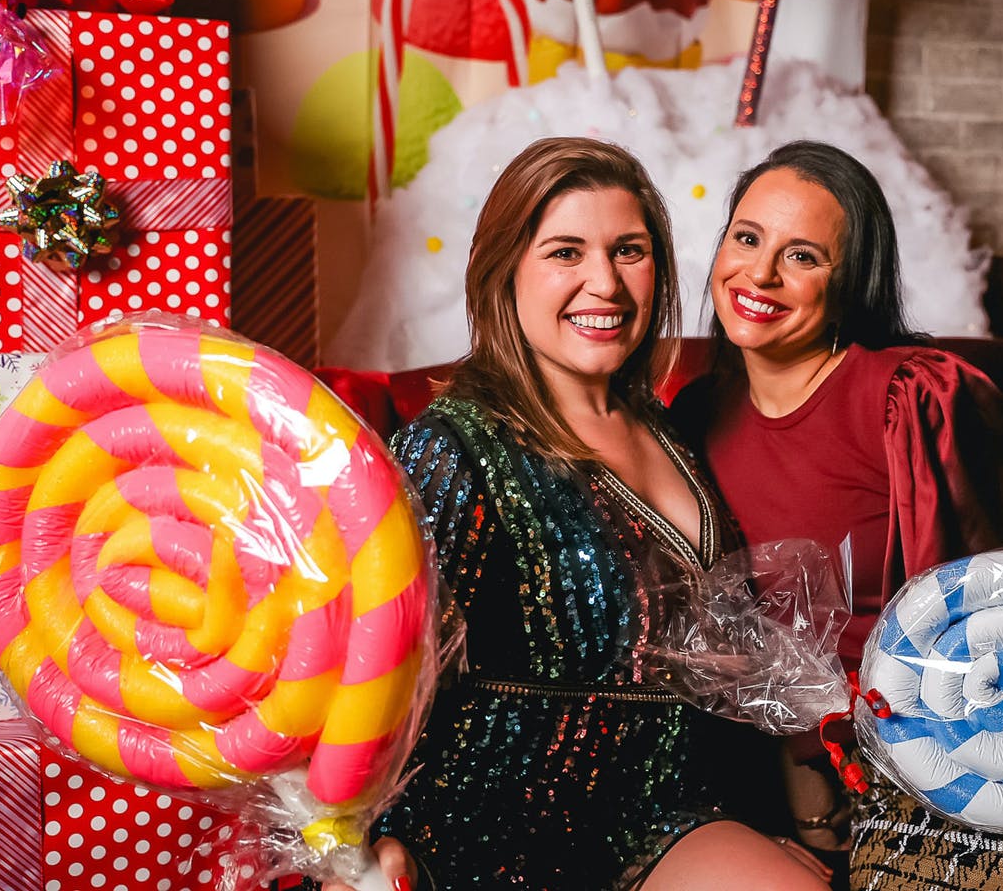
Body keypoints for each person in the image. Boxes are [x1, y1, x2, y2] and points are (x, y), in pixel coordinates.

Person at [670, 139, 1003, 890]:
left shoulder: (911, 399)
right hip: (762, 784)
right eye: (747, 238)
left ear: (848, 281)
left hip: (951, 766)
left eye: (803, 256)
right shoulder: (693, 415)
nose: (759, 274)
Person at [329, 136, 833, 891]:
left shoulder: (671, 428)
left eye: (629, 251)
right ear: (505, 271)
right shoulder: (453, 447)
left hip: (666, 812)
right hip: (489, 826)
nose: (606, 283)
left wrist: (791, 809)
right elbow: (372, 667)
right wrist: (365, 840)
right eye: (566, 253)